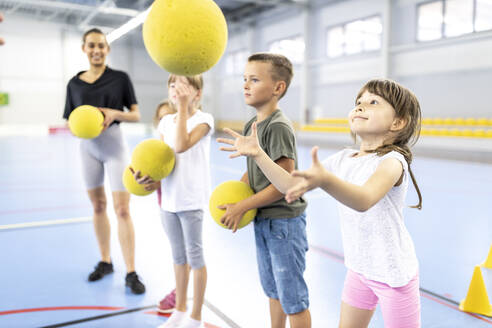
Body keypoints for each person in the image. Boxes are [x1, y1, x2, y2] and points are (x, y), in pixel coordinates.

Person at [219, 78, 423, 327]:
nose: (360, 107)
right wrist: (259, 155)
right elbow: (290, 185)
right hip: (359, 269)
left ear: (398, 122)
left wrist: (325, 180)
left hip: (394, 275)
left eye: (373, 102)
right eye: (358, 102)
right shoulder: (345, 158)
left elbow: (364, 199)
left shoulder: (393, 161)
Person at [218, 53, 311, 328]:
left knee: (293, 298)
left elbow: (282, 186)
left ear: (277, 88)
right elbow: (254, 171)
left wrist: (243, 206)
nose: (246, 85)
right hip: (264, 222)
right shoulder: (252, 125)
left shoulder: (279, 127)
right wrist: (237, 194)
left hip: (284, 223)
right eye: (244, 79)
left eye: (254, 79)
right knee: (273, 291)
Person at [62, 28, 145, 294]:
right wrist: (79, 127)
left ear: (107, 49)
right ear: (84, 49)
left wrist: (112, 113)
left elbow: (136, 115)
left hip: (114, 145)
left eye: (101, 46)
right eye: (91, 46)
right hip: (88, 148)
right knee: (98, 206)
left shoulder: (120, 79)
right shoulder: (73, 84)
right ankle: (105, 260)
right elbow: (70, 122)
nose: (96, 50)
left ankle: (131, 271)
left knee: (122, 209)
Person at [133, 74, 213, 328]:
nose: (176, 88)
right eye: (171, 84)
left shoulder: (204, 120)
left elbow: (180, 146)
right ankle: (179, 310)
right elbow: (163, 160)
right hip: (168, 201)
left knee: (195, 259)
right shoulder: (166, 122)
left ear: (197, 94)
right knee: (178, 258)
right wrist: (149, 179)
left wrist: (181, 107)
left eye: (184, 84)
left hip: (191, 201)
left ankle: (196, 317)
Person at [152, 99, 178, 314]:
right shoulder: (155, 151)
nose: (166, 121)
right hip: (165, 201)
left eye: (170, 116)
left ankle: (181, 294)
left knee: (187, 251)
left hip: (184, 202)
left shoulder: (183, 145)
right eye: (161, 118)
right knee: (177, 250)